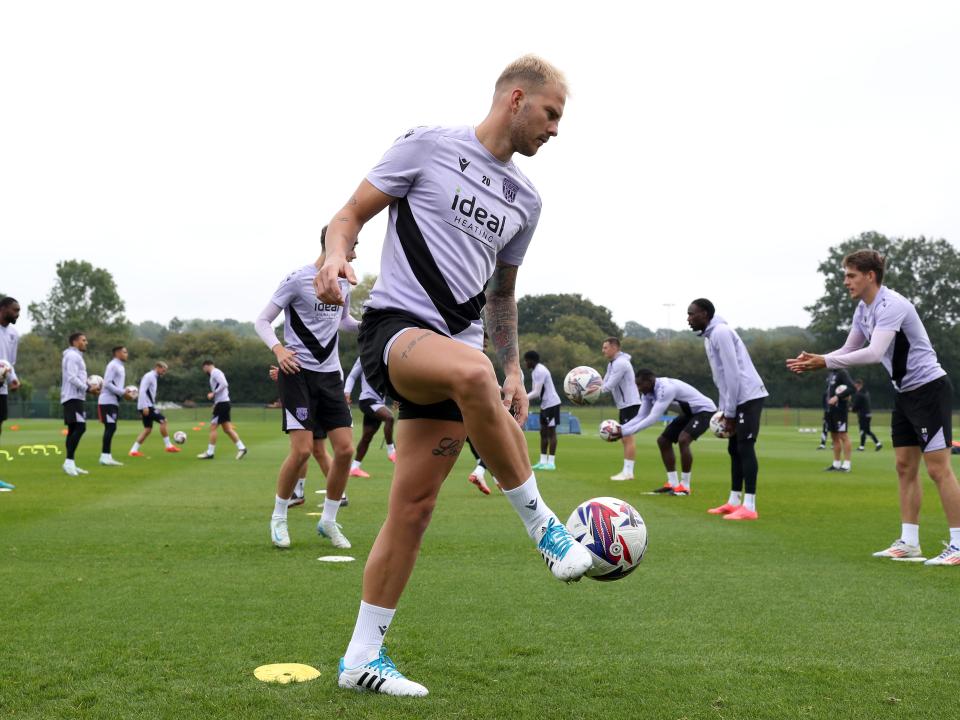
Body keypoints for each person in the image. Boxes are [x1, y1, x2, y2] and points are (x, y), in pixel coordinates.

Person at [314, 55, 591, 696]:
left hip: (459, 357)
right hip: (397, 336)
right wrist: (333, 258)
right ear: (517, 98)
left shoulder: (528, 200)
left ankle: (360, 658)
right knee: (472, 370)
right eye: (551, 114)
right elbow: (349, 214)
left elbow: (501, 296)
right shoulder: (427, 147)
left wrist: (515, 367)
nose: (555, 130)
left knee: (412, 509)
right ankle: (546, 530)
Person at [787, 249, 960, 566]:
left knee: (938, 469)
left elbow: (872, 352)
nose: (845, 281)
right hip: (906, 394)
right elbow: (849, 348)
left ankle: (959, 545)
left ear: (870, 276)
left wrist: (825, 361)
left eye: (851, 275)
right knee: (904, 467)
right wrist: (819, 361)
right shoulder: (863, 311)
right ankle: (909, 542)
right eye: (845, 275)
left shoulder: (892, 305)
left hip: (930, 390)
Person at [255, 228, 358, 550]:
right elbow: (262, 321)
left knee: (345, 450)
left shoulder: (342, 283)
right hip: (297, 373)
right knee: (301, 451)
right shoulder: (297, 279)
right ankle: (279, 519)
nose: (354, 255)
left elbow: (344, 322)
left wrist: (376, 322)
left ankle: (328, 521)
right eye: (351, 247)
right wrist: (279, 350)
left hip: (330, 376)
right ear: (334, 246)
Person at [687, 299, 768, 520]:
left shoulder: (721, 332)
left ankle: (749, 506)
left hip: (749, 396)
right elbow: (721, 378)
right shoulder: (709, 337)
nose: (688, 319)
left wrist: (730, 412)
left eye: (692, 314)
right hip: (736, 399)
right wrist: (724, 409)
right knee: (734, 450)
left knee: (745, 447)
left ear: (705, 314)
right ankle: (734, 501)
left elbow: (733, 373)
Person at [605, 369, 716, 496]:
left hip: (705, 411)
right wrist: (621, 429)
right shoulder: (647, 393)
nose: (639, 388)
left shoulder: (666, 389)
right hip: (689, 413)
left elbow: (652, 418)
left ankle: (685, 487)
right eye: (637, 385)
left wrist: (623, 433)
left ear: (650, 381)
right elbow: (641, 416)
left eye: (641, 384)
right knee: (663, 441)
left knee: (683, 439)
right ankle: (673, 484)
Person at [268, 364, 340, 508]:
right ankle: (299, 493)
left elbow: (313, 373)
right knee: (307, 450)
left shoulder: (320, 354)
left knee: (312, 450)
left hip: (312, 403)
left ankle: (338, 493)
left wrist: (286, 376)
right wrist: (284, 375)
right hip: (308, 401)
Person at [344, 356, 396, 478]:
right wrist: (346, 392)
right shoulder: (364, 357)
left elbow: (390, 381)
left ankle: (354, 468)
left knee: (367, 437)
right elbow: (352, 376)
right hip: (367, 400)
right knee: (389, 418)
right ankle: (391, 451)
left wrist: (396, 397)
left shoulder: (387, 356)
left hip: (379, 403)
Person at [601, 337, 640, 481]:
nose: (603, 350)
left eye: (605, 347)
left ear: (614, 348)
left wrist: (589, 393)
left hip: (630, 404)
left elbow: (608, 385)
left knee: (627, 438)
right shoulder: (612, 364)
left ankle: (628, 472)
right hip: (625, 405)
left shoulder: (620, 364)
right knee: (625, 438)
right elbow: (603, 382)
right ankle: (627, 471)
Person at [61, 332, 97, 476]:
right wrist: (87, 388)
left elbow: (78, 377)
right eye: (84, 340)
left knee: (73, 429)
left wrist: (89, 386)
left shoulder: (76, 356)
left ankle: (70, 463)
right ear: (75, 342)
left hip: (76, 397)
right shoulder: (72, 356)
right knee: (80, 427)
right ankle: (69, 462)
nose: (86, 342)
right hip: (72, 397)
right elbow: (71, 377)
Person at [196, 361, 248, 460]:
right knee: (227, 429)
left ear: (206, 366)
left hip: (223, 404)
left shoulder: (215, 372)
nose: (204, 371)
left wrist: (213, 393)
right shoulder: (214, 373)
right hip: (222, 403)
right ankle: (242, 448)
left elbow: (224, 384)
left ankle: (210, 453)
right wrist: (215, 403)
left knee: (213, 428)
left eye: (204, 369)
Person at [129, 362, 179, 456]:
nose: (164, 373)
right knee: (163, 421)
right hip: (146, 406)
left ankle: (133, 451)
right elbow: (142, 391)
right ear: (158, 367)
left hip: (148, 405)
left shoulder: (154, 377)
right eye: (163, 370)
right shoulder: (149, 376)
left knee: (147, 429)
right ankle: (168, 446)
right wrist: (145, 406)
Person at [97, 346, 135, 466]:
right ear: (117, 353)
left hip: (113, 401)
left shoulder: (120, 366)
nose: (127, 354)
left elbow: (115, 385)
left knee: (111, 428)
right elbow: (107, 383)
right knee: (110, 427)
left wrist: (123, 391)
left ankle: (107, 456)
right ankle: (105, 457)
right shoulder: (113, 365)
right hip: (107, 401)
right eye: (124, 352)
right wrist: (123, 392)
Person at [524, 350, 561, 470]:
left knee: (551, 432)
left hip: (552, 404)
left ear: (531, 360)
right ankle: (542, 460)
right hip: (545, 404)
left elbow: (536, 392)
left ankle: (551, 462)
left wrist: (522, 398)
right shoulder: (535, 371)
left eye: (526, 361)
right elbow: (537, 391)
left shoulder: (540, 370)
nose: (525, 363)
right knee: (543, 432)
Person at [0, 297, 21, 489]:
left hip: (2, 388)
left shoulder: (14, 334)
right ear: (3, 308)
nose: (18, 314)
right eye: (15, 310)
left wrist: (13, 378)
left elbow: (10, 363)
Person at [823, 368, 855, 472]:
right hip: (829, 410)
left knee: (843, 435)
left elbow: (852, 388)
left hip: (840, 410)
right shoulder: (830, 373)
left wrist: (838, 396)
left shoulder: (842, 373)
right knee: (834, 436)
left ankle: (847, 464)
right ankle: (836, 464)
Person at [852, 379, 882, 451]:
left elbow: (856, 406)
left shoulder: (859, 394)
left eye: (855, 384)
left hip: (863, 415)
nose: (854, 385)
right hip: (868, 414)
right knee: (867, 431)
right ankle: (878, 444)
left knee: (863, 430)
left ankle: (862, 447)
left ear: (858, 385)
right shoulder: (866, 392)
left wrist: (852, 409)